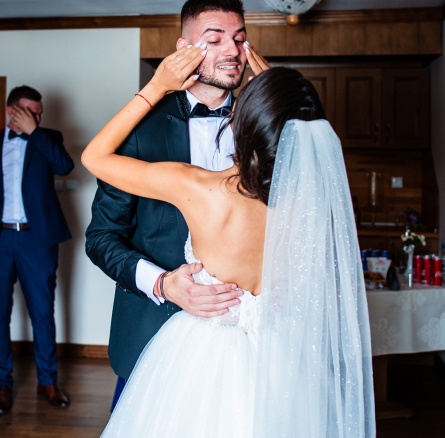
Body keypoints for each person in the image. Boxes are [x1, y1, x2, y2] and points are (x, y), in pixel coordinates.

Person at [82, 41, 375, 436]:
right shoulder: (315, 202)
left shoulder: (199, 188)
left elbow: (94, 157)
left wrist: (155, 87)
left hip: (202, 360)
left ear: (243, 121)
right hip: (285, 361)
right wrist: (275, 94)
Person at [85, 0, 249, 409]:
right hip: (152, 332)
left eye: (241, 38)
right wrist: (162, 283)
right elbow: (102, 237)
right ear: (184, 50)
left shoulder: (266, 128)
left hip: (247, 335)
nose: (232, 50)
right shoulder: (139, 130)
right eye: (214, 39)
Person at [0, 85, 75, 414]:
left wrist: (34, 131)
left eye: (40, 113)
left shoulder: (48, 137)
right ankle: (1, 384)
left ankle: (48, 381)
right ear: (13, 111)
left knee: (42, 313)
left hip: (36, 240)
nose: (38, 117)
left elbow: (65, 166)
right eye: (31, 112)